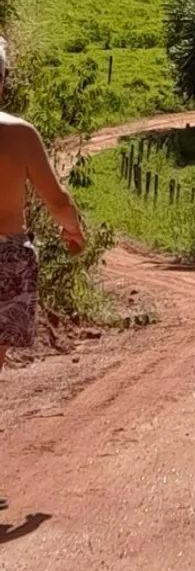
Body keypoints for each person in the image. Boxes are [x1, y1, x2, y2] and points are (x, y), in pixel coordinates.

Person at [0, 37, 85, 373]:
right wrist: (74, 232)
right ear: (2, 82)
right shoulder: (20, 135)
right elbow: (58, 201)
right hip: (6, 257)